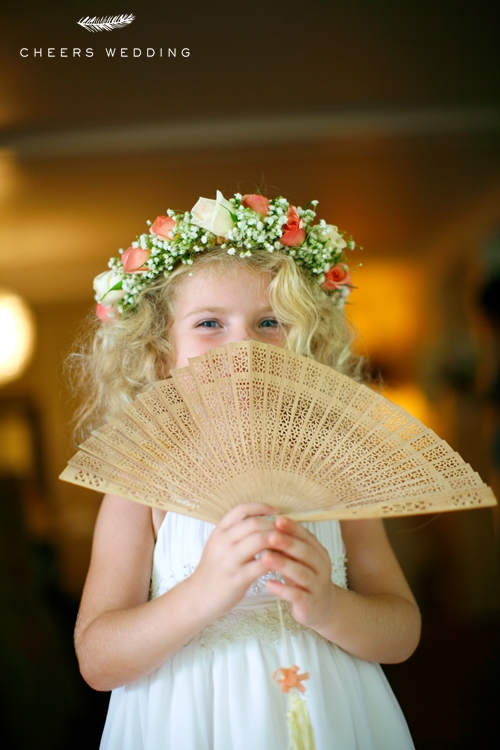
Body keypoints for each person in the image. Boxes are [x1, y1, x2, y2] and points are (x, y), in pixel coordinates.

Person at [71, 190, 420, 749]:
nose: (244, 347)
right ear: (163, 354)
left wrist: (330, 606)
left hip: (328, 712)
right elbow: (98, 660)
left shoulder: (333, 470)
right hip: (191, 721)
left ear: (303, 345)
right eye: (210, 323)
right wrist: (203, 591)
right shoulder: (144, 484)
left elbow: (401, 631)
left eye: (269, 322)